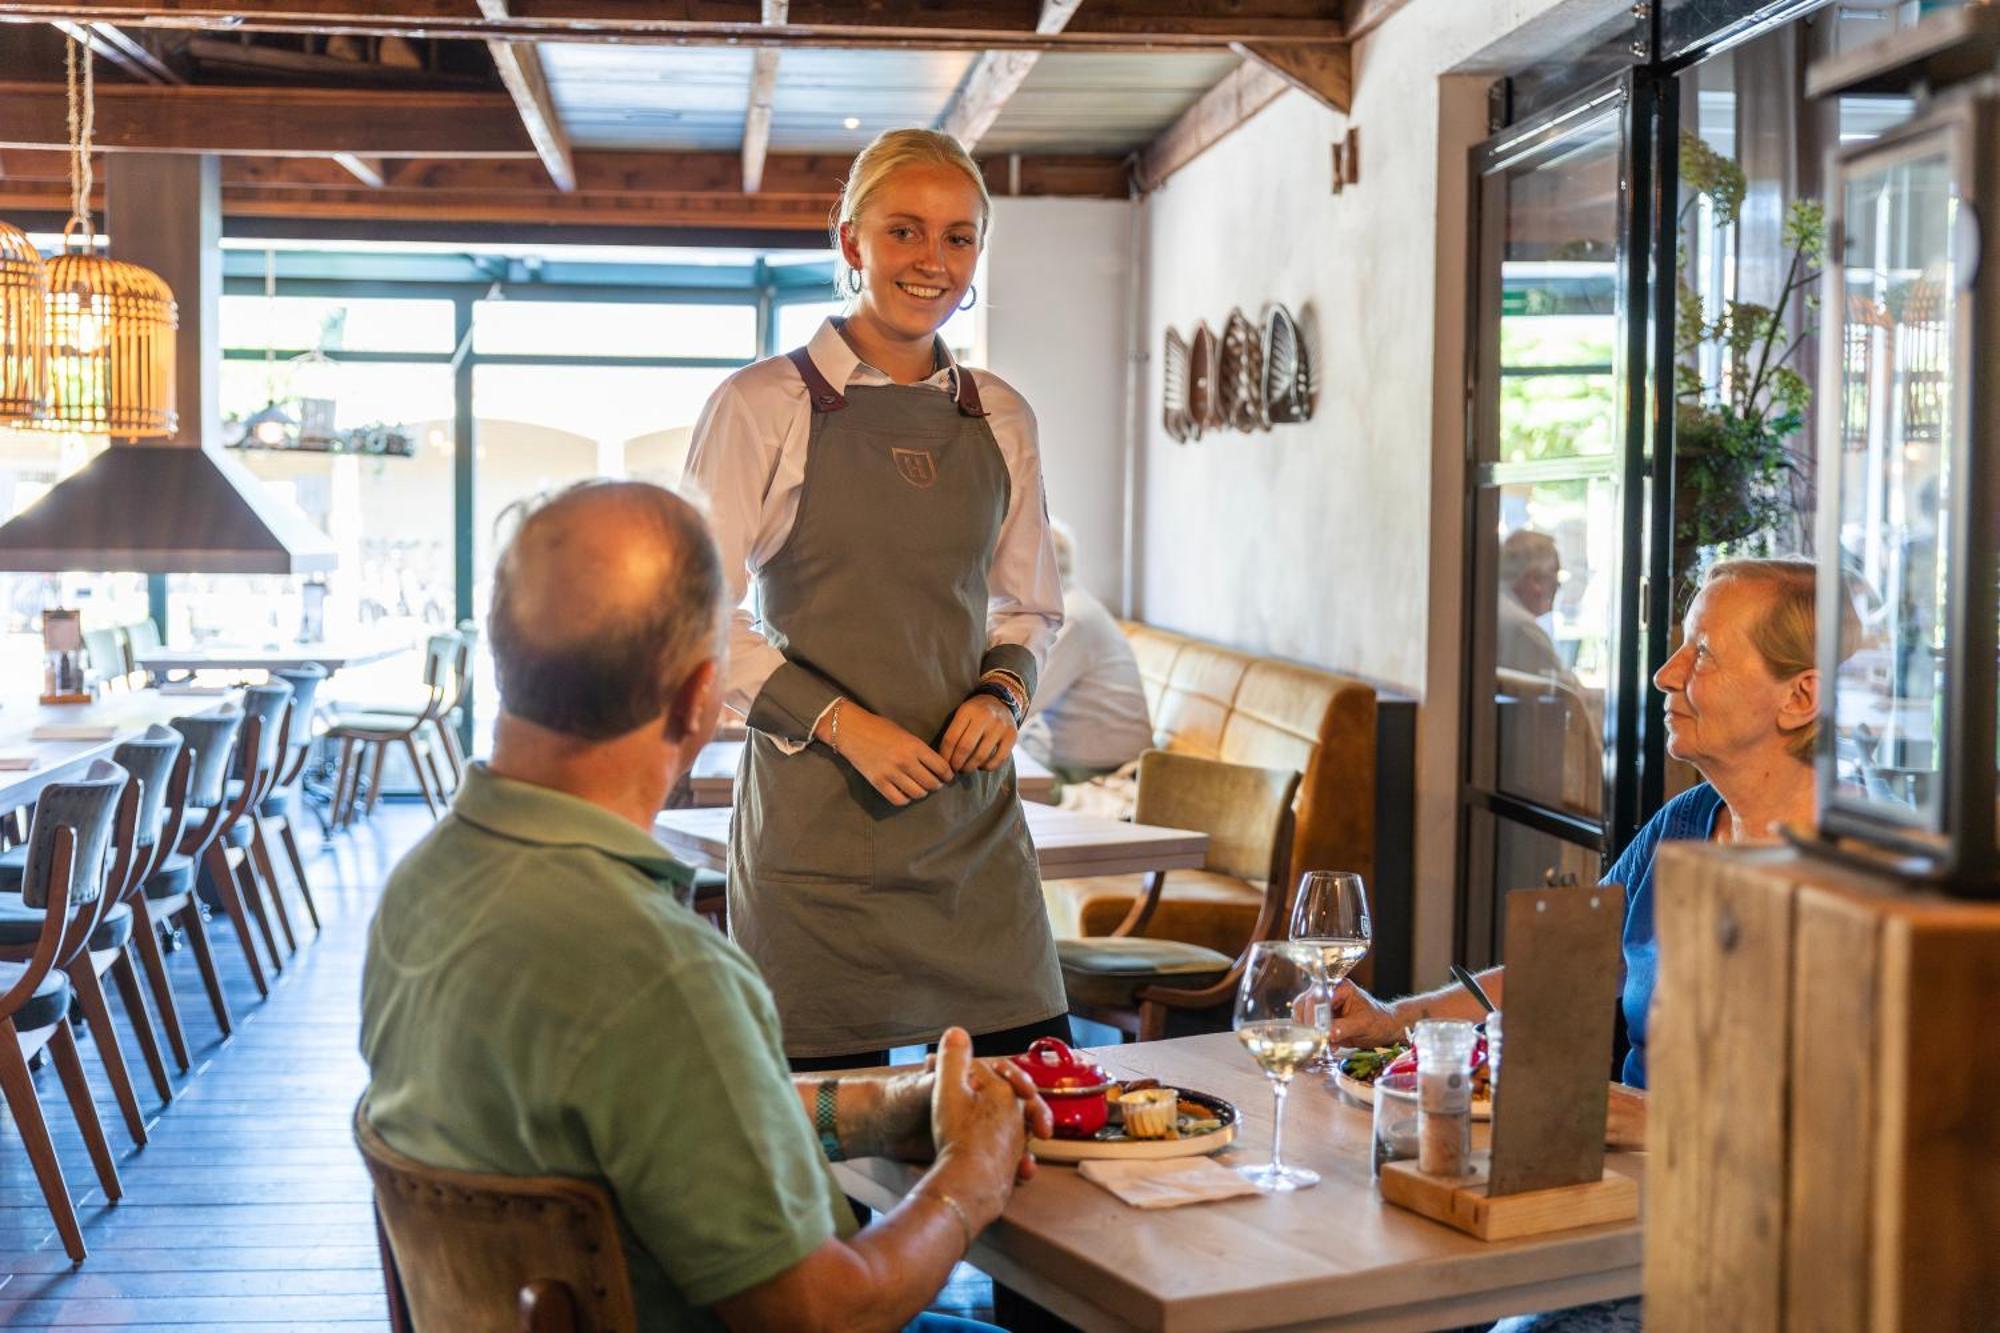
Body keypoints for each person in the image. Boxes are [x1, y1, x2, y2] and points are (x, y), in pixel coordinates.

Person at [360, 481, 1052, 1332]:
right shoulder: (662, 973)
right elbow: (824, 1313)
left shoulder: (420, 887)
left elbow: (660, 1111)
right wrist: (966, 1180)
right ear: (698, 698)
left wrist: (885, 1105)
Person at [683, 128, 1068, 1069]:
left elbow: (1029, 607)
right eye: (905, 231)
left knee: (1038, 1121)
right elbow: (694, 614)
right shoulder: (760, 405)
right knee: (817, 1155)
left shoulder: (1002, 414)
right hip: (815, 842)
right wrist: (844, 724)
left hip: (973, 839)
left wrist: (1002, 696)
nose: (932, 261)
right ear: (851, 241)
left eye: (958, 237)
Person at [1331, 557, 1832, 1153]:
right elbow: (1565, 970)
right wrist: (1393, 1020)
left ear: (1801, 697)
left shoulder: (1861, 876)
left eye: (1703, 653)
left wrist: (1662, 1122)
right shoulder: (1687, 821)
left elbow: (1864, 1125)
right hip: (1632, 1179)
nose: (1665, 675)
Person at [1017, 521, 1152, 781]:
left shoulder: (1071, 618)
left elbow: (1022, 701)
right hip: (1076, 755)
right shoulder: (1068, 607)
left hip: (1099, 765)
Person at [1496, 528, 1585, 697]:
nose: (1557, 587)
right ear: (1534, 579)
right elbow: (1568, 692)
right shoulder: (1521, 626)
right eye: (1554, 576)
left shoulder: (1496, 609)